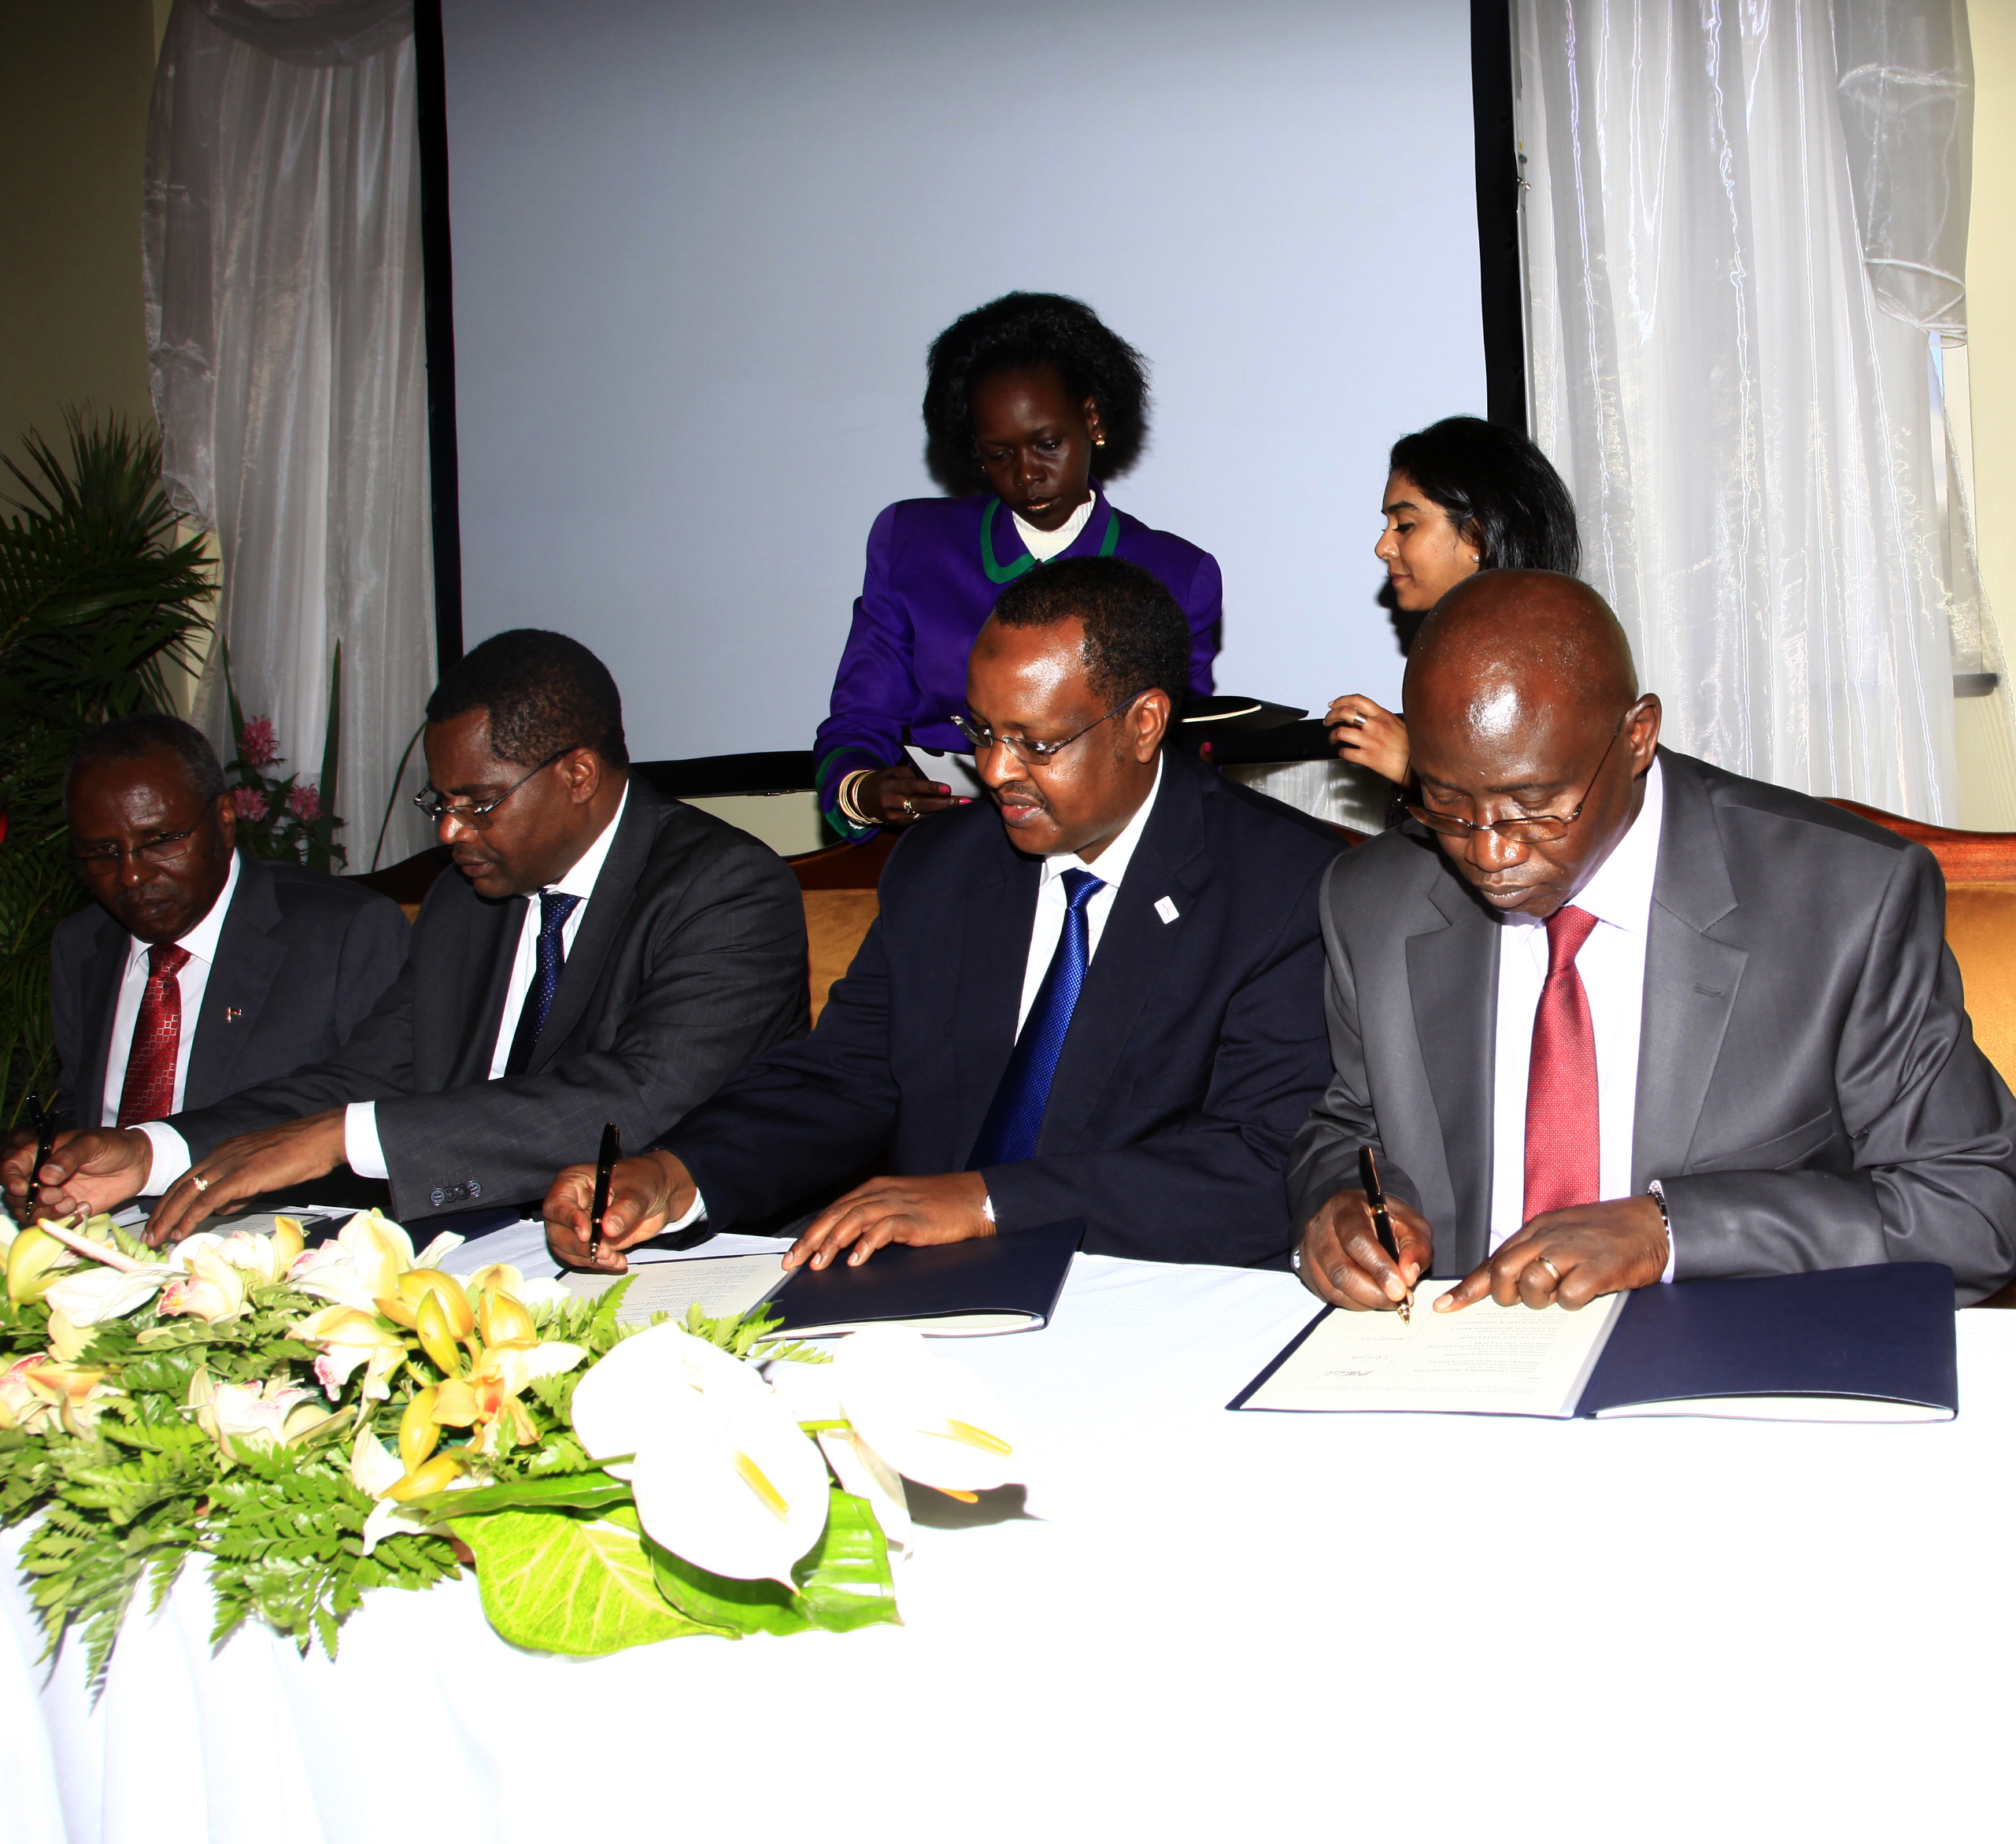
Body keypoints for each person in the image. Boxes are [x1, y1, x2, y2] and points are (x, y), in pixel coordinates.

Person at [546, 557, 1344, 1273]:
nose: (995, 771)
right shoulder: (943, 866)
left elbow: (1257, 1161)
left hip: (1151, 1299)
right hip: (923, 1305)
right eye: (983, 731)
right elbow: (847, 1077)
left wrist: (986, 1201)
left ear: (1144, 722)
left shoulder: (1282, 886)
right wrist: (681, 1174)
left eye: (1035, 741)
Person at [1289, 569, 2016, 1313]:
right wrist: (1340, 1209)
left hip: (1726, 1369)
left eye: (1537, 806)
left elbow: (1968, 1207)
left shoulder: (1845, 902)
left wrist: (1669, 1232)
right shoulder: (1373, 902)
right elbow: (1352, 1129)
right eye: (1446, 803)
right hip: (1458, 1367)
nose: (1488, 853)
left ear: (1638, 736)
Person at [29, 631, 810, 1241]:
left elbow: (636, 1098)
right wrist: (155, 1149)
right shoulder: (465, 899)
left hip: (669, 1253)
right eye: (439, 800)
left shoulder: (723, 890)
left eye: (477, 802)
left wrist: (345, 1137)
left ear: (577, 774)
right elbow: (369, 1070)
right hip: (471, 1251)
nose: (448, 829)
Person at [812, 291, 1222, 839]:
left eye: (1047, 444)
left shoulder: (1175, 573)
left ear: (1093, 418)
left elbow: (1176, 752)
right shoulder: (910, 543)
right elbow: (861, 717)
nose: (1026, 474)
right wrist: (863, 791)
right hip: (936, 845)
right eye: (999, 455)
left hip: (1102, 850)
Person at [2, 716, 407, 1213]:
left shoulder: (343, 932)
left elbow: (378, 1107)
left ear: (224, 816)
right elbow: (83, 1103)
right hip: (101, 1241)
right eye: (102, 852)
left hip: (267, 1242)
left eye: (160, 840)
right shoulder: (82, 942)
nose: (130, 874)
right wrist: (46, 1155)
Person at [1325, 417, 1581, 788]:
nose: (1382, 547)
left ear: (1477, 536)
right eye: (1386, 526)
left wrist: (1411, 767)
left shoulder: (1541, 666)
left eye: (1405, 525)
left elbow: (1526, 824)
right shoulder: (1458, 652)